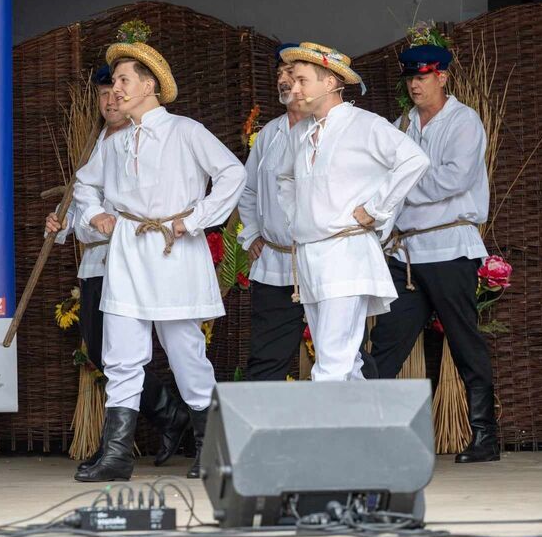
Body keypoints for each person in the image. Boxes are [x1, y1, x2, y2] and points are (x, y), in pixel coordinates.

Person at [72, 28, 244, 480]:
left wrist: (196, 218)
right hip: (129, 251)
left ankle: (212, 449)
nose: (117, 89)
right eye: (115, 81)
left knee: (185, 349)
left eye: (126, 79)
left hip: (174, 250)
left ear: (150, 85)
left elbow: (232, 173)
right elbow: (84, 184)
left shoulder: (185, 131)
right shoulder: (115, 142)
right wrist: (94, 216)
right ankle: (116, 456)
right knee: (121, 353)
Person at [45, 65, 190, 479]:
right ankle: (167, 417)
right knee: (99, 349)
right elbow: (79, 200)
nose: (111, 99)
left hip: (132, 258)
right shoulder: (96, 144)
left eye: (117, 89)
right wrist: (59, 224)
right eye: (104, 93)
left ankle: (165, 420)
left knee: (124, 351)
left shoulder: (145, 139)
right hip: (96, 261)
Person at [368, 44, 500, 463]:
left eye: (422, 77)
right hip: (405, 254)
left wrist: (397, 191)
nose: (415, 84)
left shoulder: (464, 121)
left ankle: (484, 435)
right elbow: (379, 174)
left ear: (442, 77)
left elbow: (453, 179)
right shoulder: (401, 123)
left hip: (449, 248)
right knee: (386, 341)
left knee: (464, 339)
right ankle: (372, 433)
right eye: (410, 78)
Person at [276, 42, 429, 381]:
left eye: (303, 80)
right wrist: (297, 216)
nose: (294, 88)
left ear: (330, 82)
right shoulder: (301, 131)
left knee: (332, 362)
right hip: (310, 255)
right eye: (293, 80)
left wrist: (376, 208)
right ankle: (367, 433)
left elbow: (414, 159)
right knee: (347, 363)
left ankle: (324, 435)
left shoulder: (364, 124)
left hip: (345, 253)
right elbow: (284, 177)